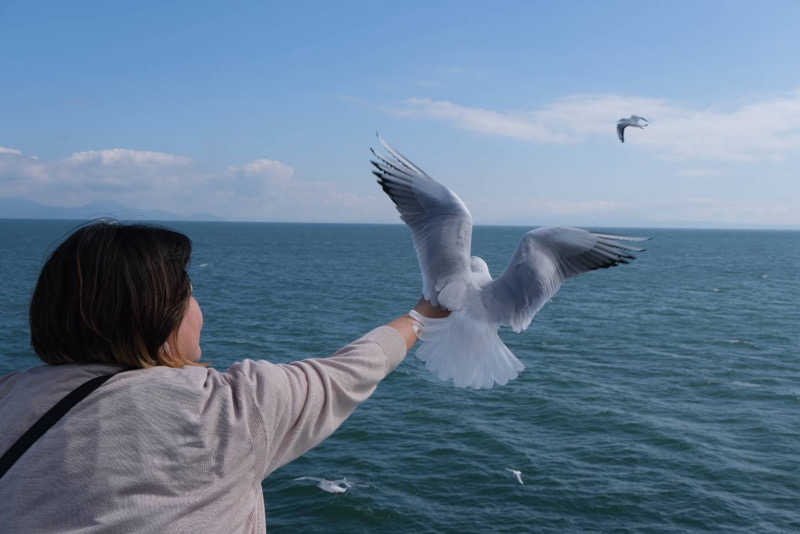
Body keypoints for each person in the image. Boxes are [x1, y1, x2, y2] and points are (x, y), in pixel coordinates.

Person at [0, 220, 448, 533]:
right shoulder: (227, 408)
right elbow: (352, 369)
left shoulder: (9, 398)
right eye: (190, 296)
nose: (199, 310)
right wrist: (425, 313)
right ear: (159, 316)